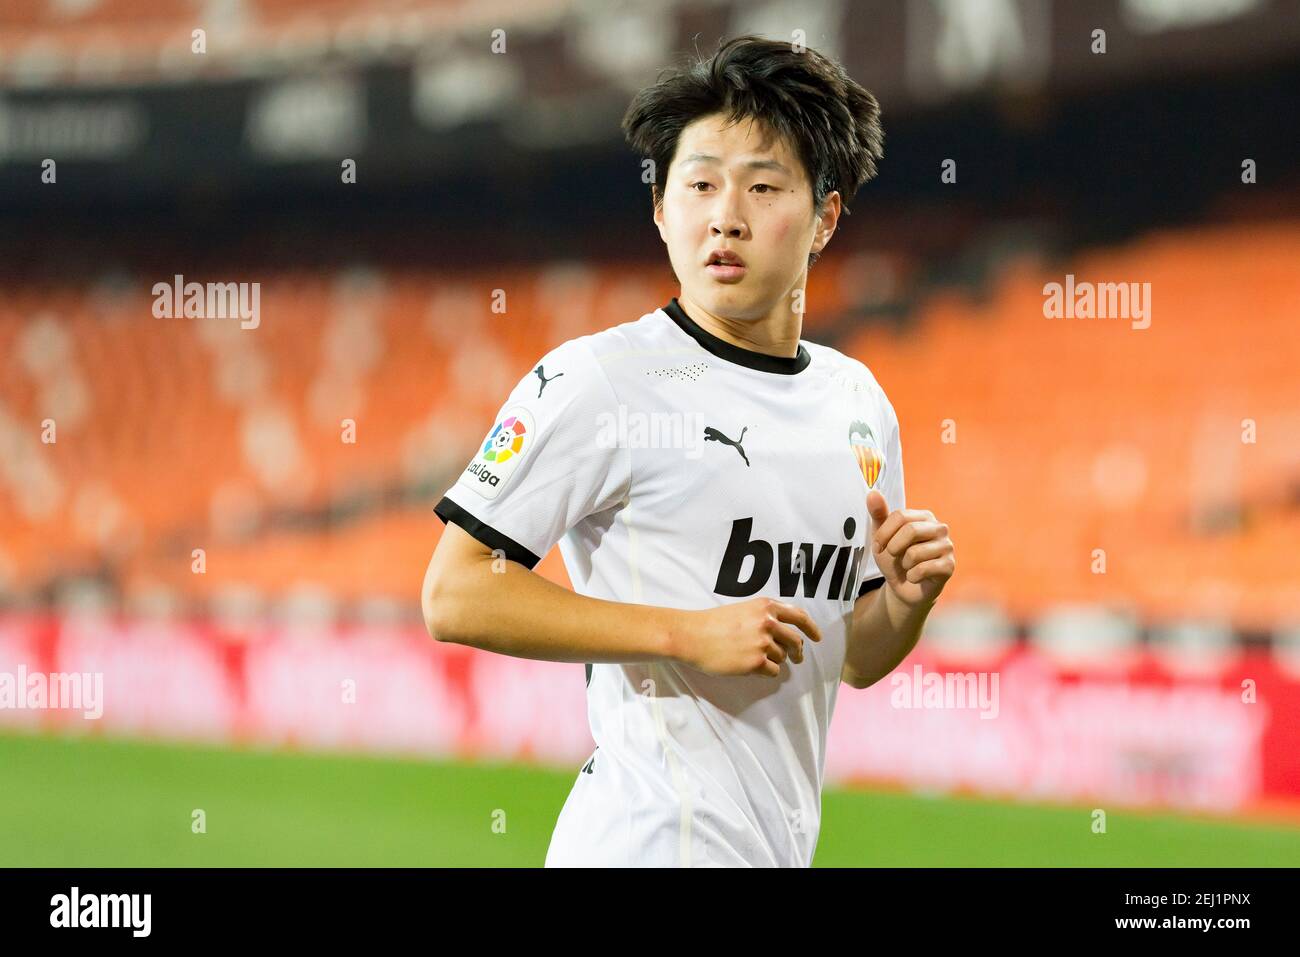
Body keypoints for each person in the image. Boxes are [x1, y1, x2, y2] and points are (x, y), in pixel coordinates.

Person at [421, 35, 955, 867]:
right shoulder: (602, 380)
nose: (725, 214)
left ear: (825, 217)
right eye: (700, 183)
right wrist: (683, 633)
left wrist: (908, 599)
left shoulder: (858, 405)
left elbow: (851, 656)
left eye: (764, 186)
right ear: (662, 211)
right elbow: (454, 592)